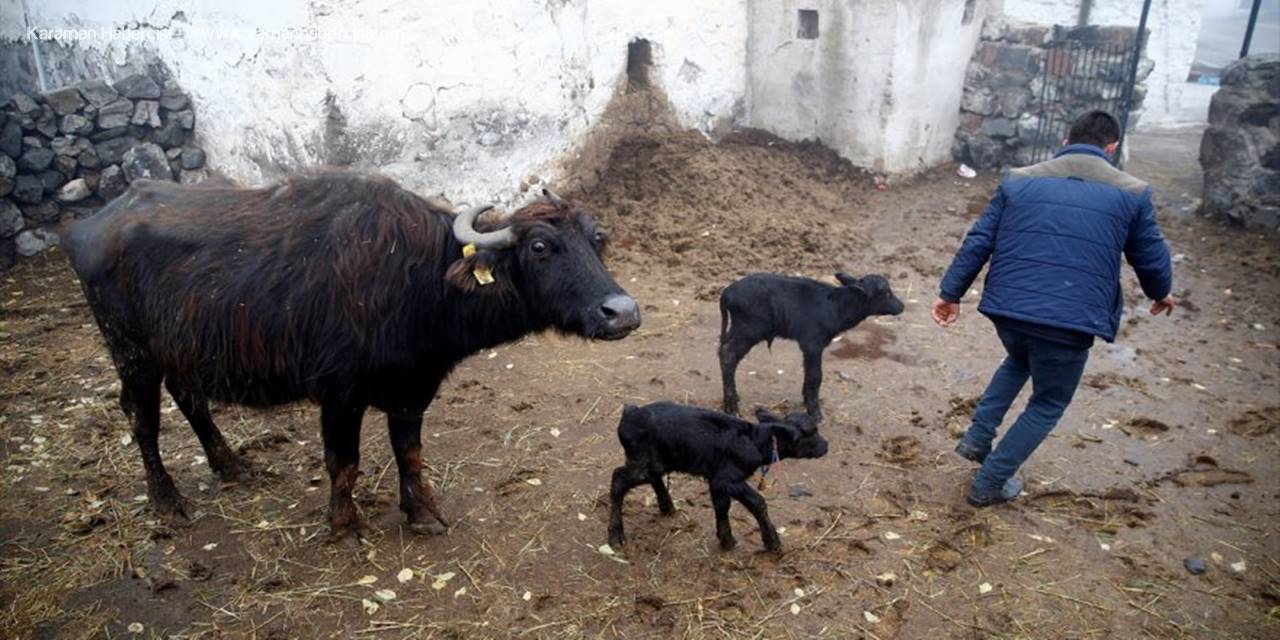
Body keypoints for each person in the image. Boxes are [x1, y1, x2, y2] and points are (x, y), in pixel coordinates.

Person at [932, 110, 1175, 507]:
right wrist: (1161, 291)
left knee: (1020, 358)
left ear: (1065, 139)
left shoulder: (1019, 179)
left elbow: (979, 240)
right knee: (1048, 402)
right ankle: (990, 482)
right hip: (1071, 321)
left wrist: (950, 292)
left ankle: (978, 437)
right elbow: (1149, 257)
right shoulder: (1132, 192)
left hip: (1009, 310)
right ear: (1111, 148)